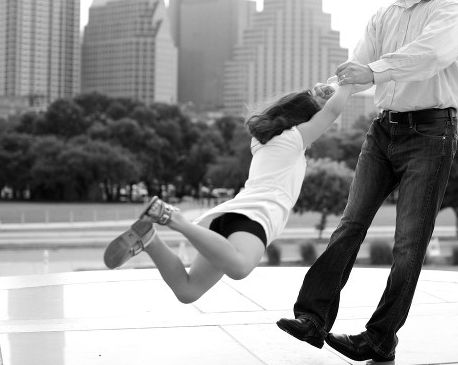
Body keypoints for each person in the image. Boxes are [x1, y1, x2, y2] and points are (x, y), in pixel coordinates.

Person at [277, 0, 458, 362]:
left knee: (408, 243)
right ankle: (313, 319)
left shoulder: (448, 9)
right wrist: (321, 98)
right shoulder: (382, 15)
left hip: (431, 134)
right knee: (349, 225)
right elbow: (358, 71)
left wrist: (372, 72)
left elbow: (431, 55)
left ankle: (381, 337)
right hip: (383, 131)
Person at [103, 82, 355, 304]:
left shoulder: (264, 141)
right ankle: (173, 218)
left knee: (187, 290)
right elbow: (332, 111)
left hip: (231, 216)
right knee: (240, 268)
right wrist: (349, 84)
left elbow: (325, 106)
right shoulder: (292, 139)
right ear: (304, 121)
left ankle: (149, 241)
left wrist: (330, 86)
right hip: (257, 216)